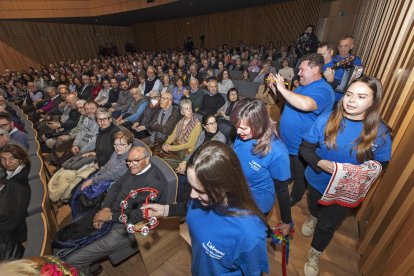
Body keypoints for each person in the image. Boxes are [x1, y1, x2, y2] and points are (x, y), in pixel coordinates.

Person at [298, 77, 392, 276]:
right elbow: (305, 149)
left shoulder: (381, 133)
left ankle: (315, 252)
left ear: (373, 102)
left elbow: (382, 164)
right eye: (349, 94)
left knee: (328, 224)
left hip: (344, 191)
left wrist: (354, 173)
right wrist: (320, 163)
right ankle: (313, 217)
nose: (351, 100)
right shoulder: (326, 119)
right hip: (317, 180)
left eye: (361, 96)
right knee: (314, 206)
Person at [143, 141, 269, 275]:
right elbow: (189, 208)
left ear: (225, 185)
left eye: (200, 191)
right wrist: (164, 210)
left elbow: (253, 272)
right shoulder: (200, 199)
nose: (192, 195)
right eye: (192, 186)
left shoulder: (249, 233)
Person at [64, 146, 167, 275]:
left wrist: (109, 217)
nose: (130, 165)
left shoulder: (153, 184)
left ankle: (85, 267)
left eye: (135, 160)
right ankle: (91, 267)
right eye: (128, 161)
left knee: (73, 260)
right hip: (112, 212)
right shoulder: (134, 169)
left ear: (147, 159)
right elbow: (115, 187)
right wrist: (105, 208)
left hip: (125, 227)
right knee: (75, 239)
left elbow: (138, 216)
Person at [269, 53, 335, 206]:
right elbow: (289, 101)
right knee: (290, 167)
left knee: (301, 176)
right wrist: (277, 91)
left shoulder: (323, 89)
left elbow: (306, 105)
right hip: (289, 142)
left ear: (315, 69)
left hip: (303, 145)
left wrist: (282, 88)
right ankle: (288, 178)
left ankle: (296, 196)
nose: (298, 73)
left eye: (302, 70)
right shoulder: (303, 86)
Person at [230, 99, 292, 233]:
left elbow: (282, 190)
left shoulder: (278, 152)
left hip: (257, 203)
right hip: (238, 193)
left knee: (248, 233)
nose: (237, 132)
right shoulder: (242, 136)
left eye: (243, 128)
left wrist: (287, 221)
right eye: (236, 127)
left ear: (258, 124)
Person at [161, 100, 201, 168]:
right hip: (176, 145)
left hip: (186, 151)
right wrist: (166, 143)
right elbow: (173, 134)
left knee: (164, 162)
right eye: (186, 109)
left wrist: (171, 148)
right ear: (182, 112)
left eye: (190, 108)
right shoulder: (181, 121)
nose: (189, 110)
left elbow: (189, 144)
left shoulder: (197, 124)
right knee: (159, 156)